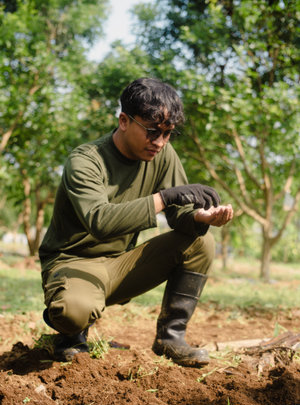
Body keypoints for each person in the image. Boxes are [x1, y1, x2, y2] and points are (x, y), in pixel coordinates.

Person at [39, 77, 233, 366]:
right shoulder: (85, 160)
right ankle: (70, 332)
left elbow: (178, 215)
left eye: (168, 134)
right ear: (124, 121)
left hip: (121, 264)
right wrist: (166, 197)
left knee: (201, 240)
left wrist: (198, 216)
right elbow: (99, 221)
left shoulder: (163, 154)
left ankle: (171, 337)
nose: (160, 142)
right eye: (152, 132)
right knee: (72, 311)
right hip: (72, 262)